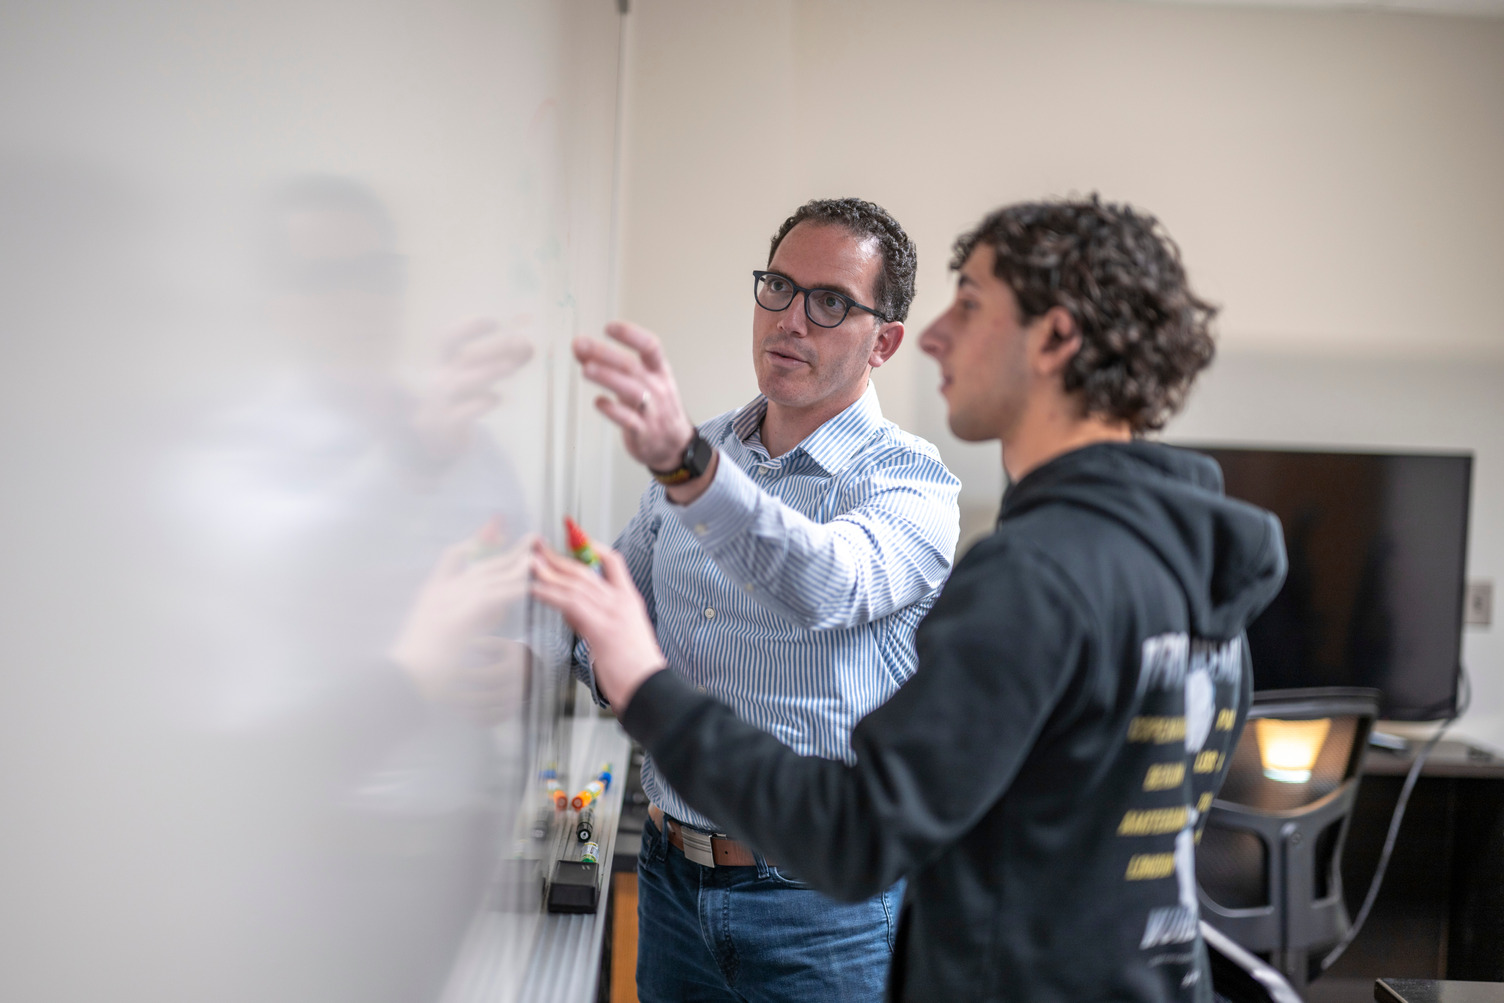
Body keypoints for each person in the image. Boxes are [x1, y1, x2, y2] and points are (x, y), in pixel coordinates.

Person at [533, 196, 1289, 1002]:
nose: (934, 336)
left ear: (1056, 337)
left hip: (833, 919)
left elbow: (856, 828)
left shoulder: (1031, 572)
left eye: (968, 304)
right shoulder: (1181, 567)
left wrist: (650, 682)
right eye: (779, 289)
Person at [568, 197, 961, 1001]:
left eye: (829, 303)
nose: (790, 320)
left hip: (824, 906)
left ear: (883, 340)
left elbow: (827, 581)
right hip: (672, 879)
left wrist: (688, 473)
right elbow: (610, 618)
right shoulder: (706, 450)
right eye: (777, 288)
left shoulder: (912, 483)